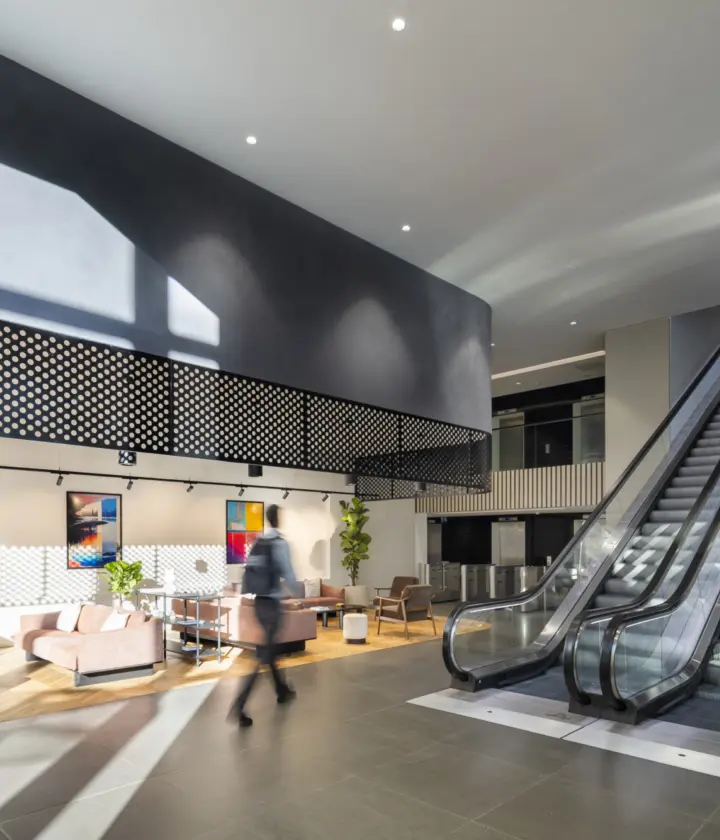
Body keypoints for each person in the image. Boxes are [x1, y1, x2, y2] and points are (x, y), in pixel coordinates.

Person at [230, 503, 299, 728]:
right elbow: (287, 572)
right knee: (264, 656)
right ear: (278, 519)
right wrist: (298, 596)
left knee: (270, 651)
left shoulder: (259, 542)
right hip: (272, 605)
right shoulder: (279, 543)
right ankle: (239, 706)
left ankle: (282, 690)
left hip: (259, 604)